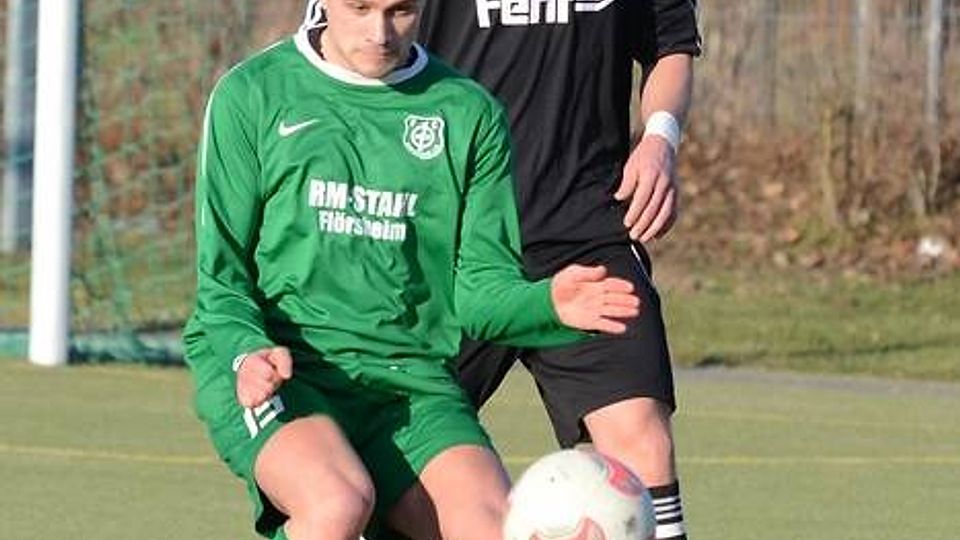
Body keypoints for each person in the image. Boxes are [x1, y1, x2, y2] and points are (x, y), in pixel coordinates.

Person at [182, 1, 641, 539]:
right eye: (360, 7)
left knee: (492, 531)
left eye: (399, 10)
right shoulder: (252, 93)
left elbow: (478, 295)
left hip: (411, 382)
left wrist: (548, 305)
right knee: (337, 503)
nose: (380, 32)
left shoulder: (468, 113)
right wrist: (246, 350)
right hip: (283, 371)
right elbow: (222, 280)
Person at [416, 2, 702, 539]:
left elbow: (670, 45)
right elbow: (352, 46)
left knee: (642, 444)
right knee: (398, 464)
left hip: (586, 236)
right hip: (446, 244)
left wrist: (660, 139)